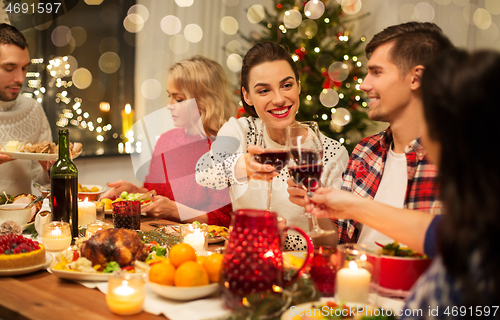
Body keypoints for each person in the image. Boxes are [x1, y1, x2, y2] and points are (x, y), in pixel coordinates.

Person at [308, 48, 500, 318]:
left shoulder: (465, 270)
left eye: (433, 113)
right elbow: (443, 233)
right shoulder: (475, 228)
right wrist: (349, 206)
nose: (364, 84)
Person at [292, 22, 454, 245]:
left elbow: (457, 248)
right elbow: (338, 242)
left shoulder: (458, 159)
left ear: (416, 78)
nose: (364, 85)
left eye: (377, 72)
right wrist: (312, 211)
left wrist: (357, 207)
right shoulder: (365, 151)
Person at [195, 42, 349, 250]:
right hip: (250, 258)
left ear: (299, 86)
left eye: (286, 85)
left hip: (301, 267)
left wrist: (314, 209)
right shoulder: (240, 131)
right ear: (247, 96)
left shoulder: (332, 153)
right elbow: (204, 175)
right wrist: (243, 166)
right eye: (264, 90)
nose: (278, 99)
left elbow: (333, 244)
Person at [102, 56, 236, 227]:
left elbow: (223, 219)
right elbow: (153, 193)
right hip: (159, 237)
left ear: (204, 101)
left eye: (178, 99)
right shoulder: (167, 140)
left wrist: (174, 210)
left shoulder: (222, 148)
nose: (169, 105)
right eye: (170, 96)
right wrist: (134, 191)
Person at [0, 23, 52, 195]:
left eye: (24, 68)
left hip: (21, 218)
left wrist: (50, 169)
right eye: (9, 68)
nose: (20, 78)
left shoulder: (33, 110)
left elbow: (41, 183)